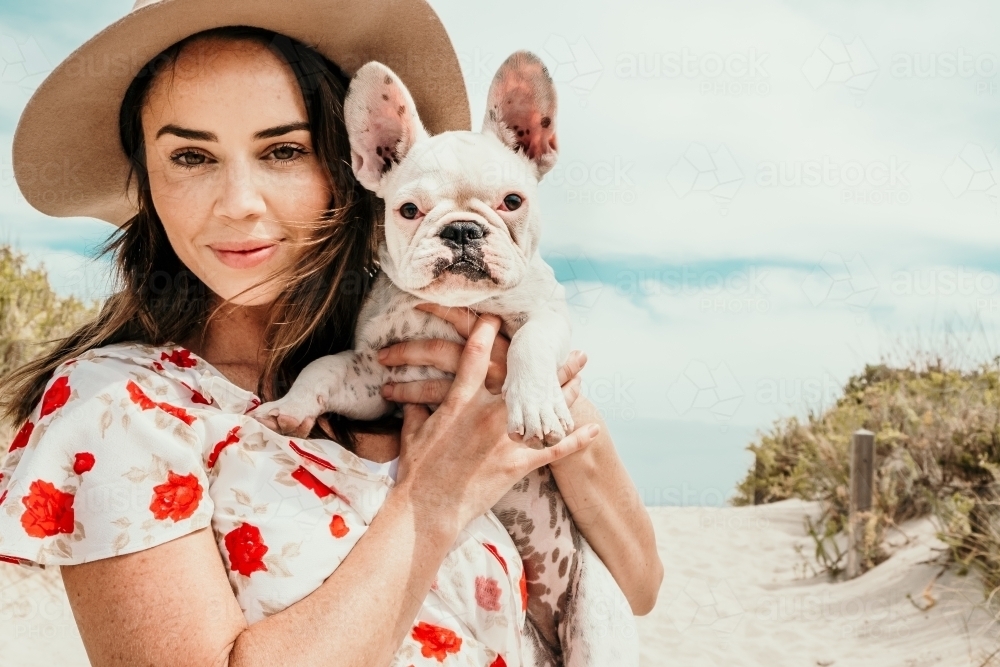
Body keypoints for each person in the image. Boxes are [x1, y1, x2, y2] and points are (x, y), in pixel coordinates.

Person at [0, 1, 663, 666]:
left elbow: (639, 580)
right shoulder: (117, 406)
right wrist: (433, 499)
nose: (239, 201)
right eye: (191, 156)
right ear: (147, 180)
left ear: (350, 160)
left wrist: (541, 397)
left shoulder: (408, 343)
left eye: (284, 150)